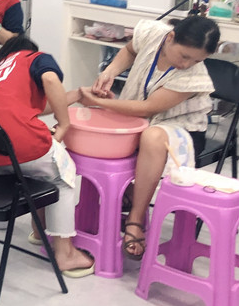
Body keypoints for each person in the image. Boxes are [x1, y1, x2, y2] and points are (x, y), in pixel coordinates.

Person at [75, 16, 219, 260]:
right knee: (102, 131)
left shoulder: (194, 76)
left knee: (152, 137)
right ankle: (124, 195)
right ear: (170, 37)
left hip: (182, 130)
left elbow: (148, 108)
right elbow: (130, 50)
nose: (187, 64)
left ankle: (135, 218)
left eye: (197, 60)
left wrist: (98, 102)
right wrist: (110, 71)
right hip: (141, 121)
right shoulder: (153, 32)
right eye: (184, 56)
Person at [0, 36, 94, 277]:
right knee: (62, 175)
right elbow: (50, 80)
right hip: (19, 147)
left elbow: (31, 106)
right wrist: (63, 124)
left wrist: (77, 94)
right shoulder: (35, 58)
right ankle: (65, 253)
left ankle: (39, 229)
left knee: (39, 169)